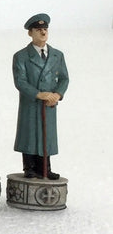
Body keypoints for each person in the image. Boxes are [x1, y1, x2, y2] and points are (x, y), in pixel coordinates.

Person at [12, 13, 69, 179]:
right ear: (30, 33)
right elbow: (20, 82)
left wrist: (57, 94)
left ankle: (45, 167)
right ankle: (29, 167)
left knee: (46, 134)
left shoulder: (57, 55)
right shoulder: (21, 56)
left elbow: (64, 78)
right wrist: (38, 94)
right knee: (29, 134)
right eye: (38, 30)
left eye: (45, 29)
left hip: (49, 103)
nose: (43, 32)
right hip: (31, 102)